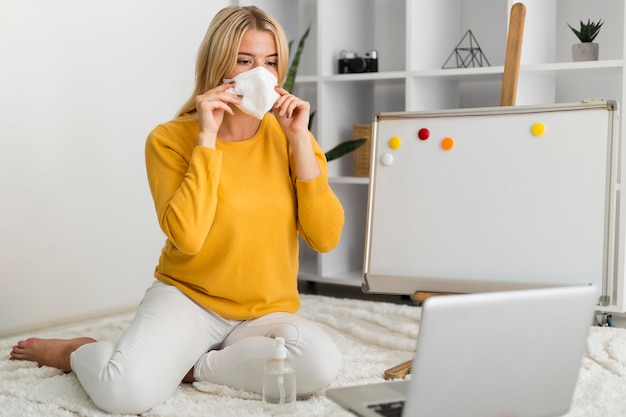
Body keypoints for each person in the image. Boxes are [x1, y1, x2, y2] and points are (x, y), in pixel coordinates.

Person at [10, 5, 344, 414]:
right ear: (218, 64)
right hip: (190, 300)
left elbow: (325, 237)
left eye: (271, 61)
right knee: (123, 393)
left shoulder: (292, 137)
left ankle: (192, 368)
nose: (262, 73)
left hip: (266, 312)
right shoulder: (170, 139)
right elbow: (187, 237)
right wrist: (207, 137)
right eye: (245, 60)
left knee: (319, 363)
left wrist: (298, 141)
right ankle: (74, 353)